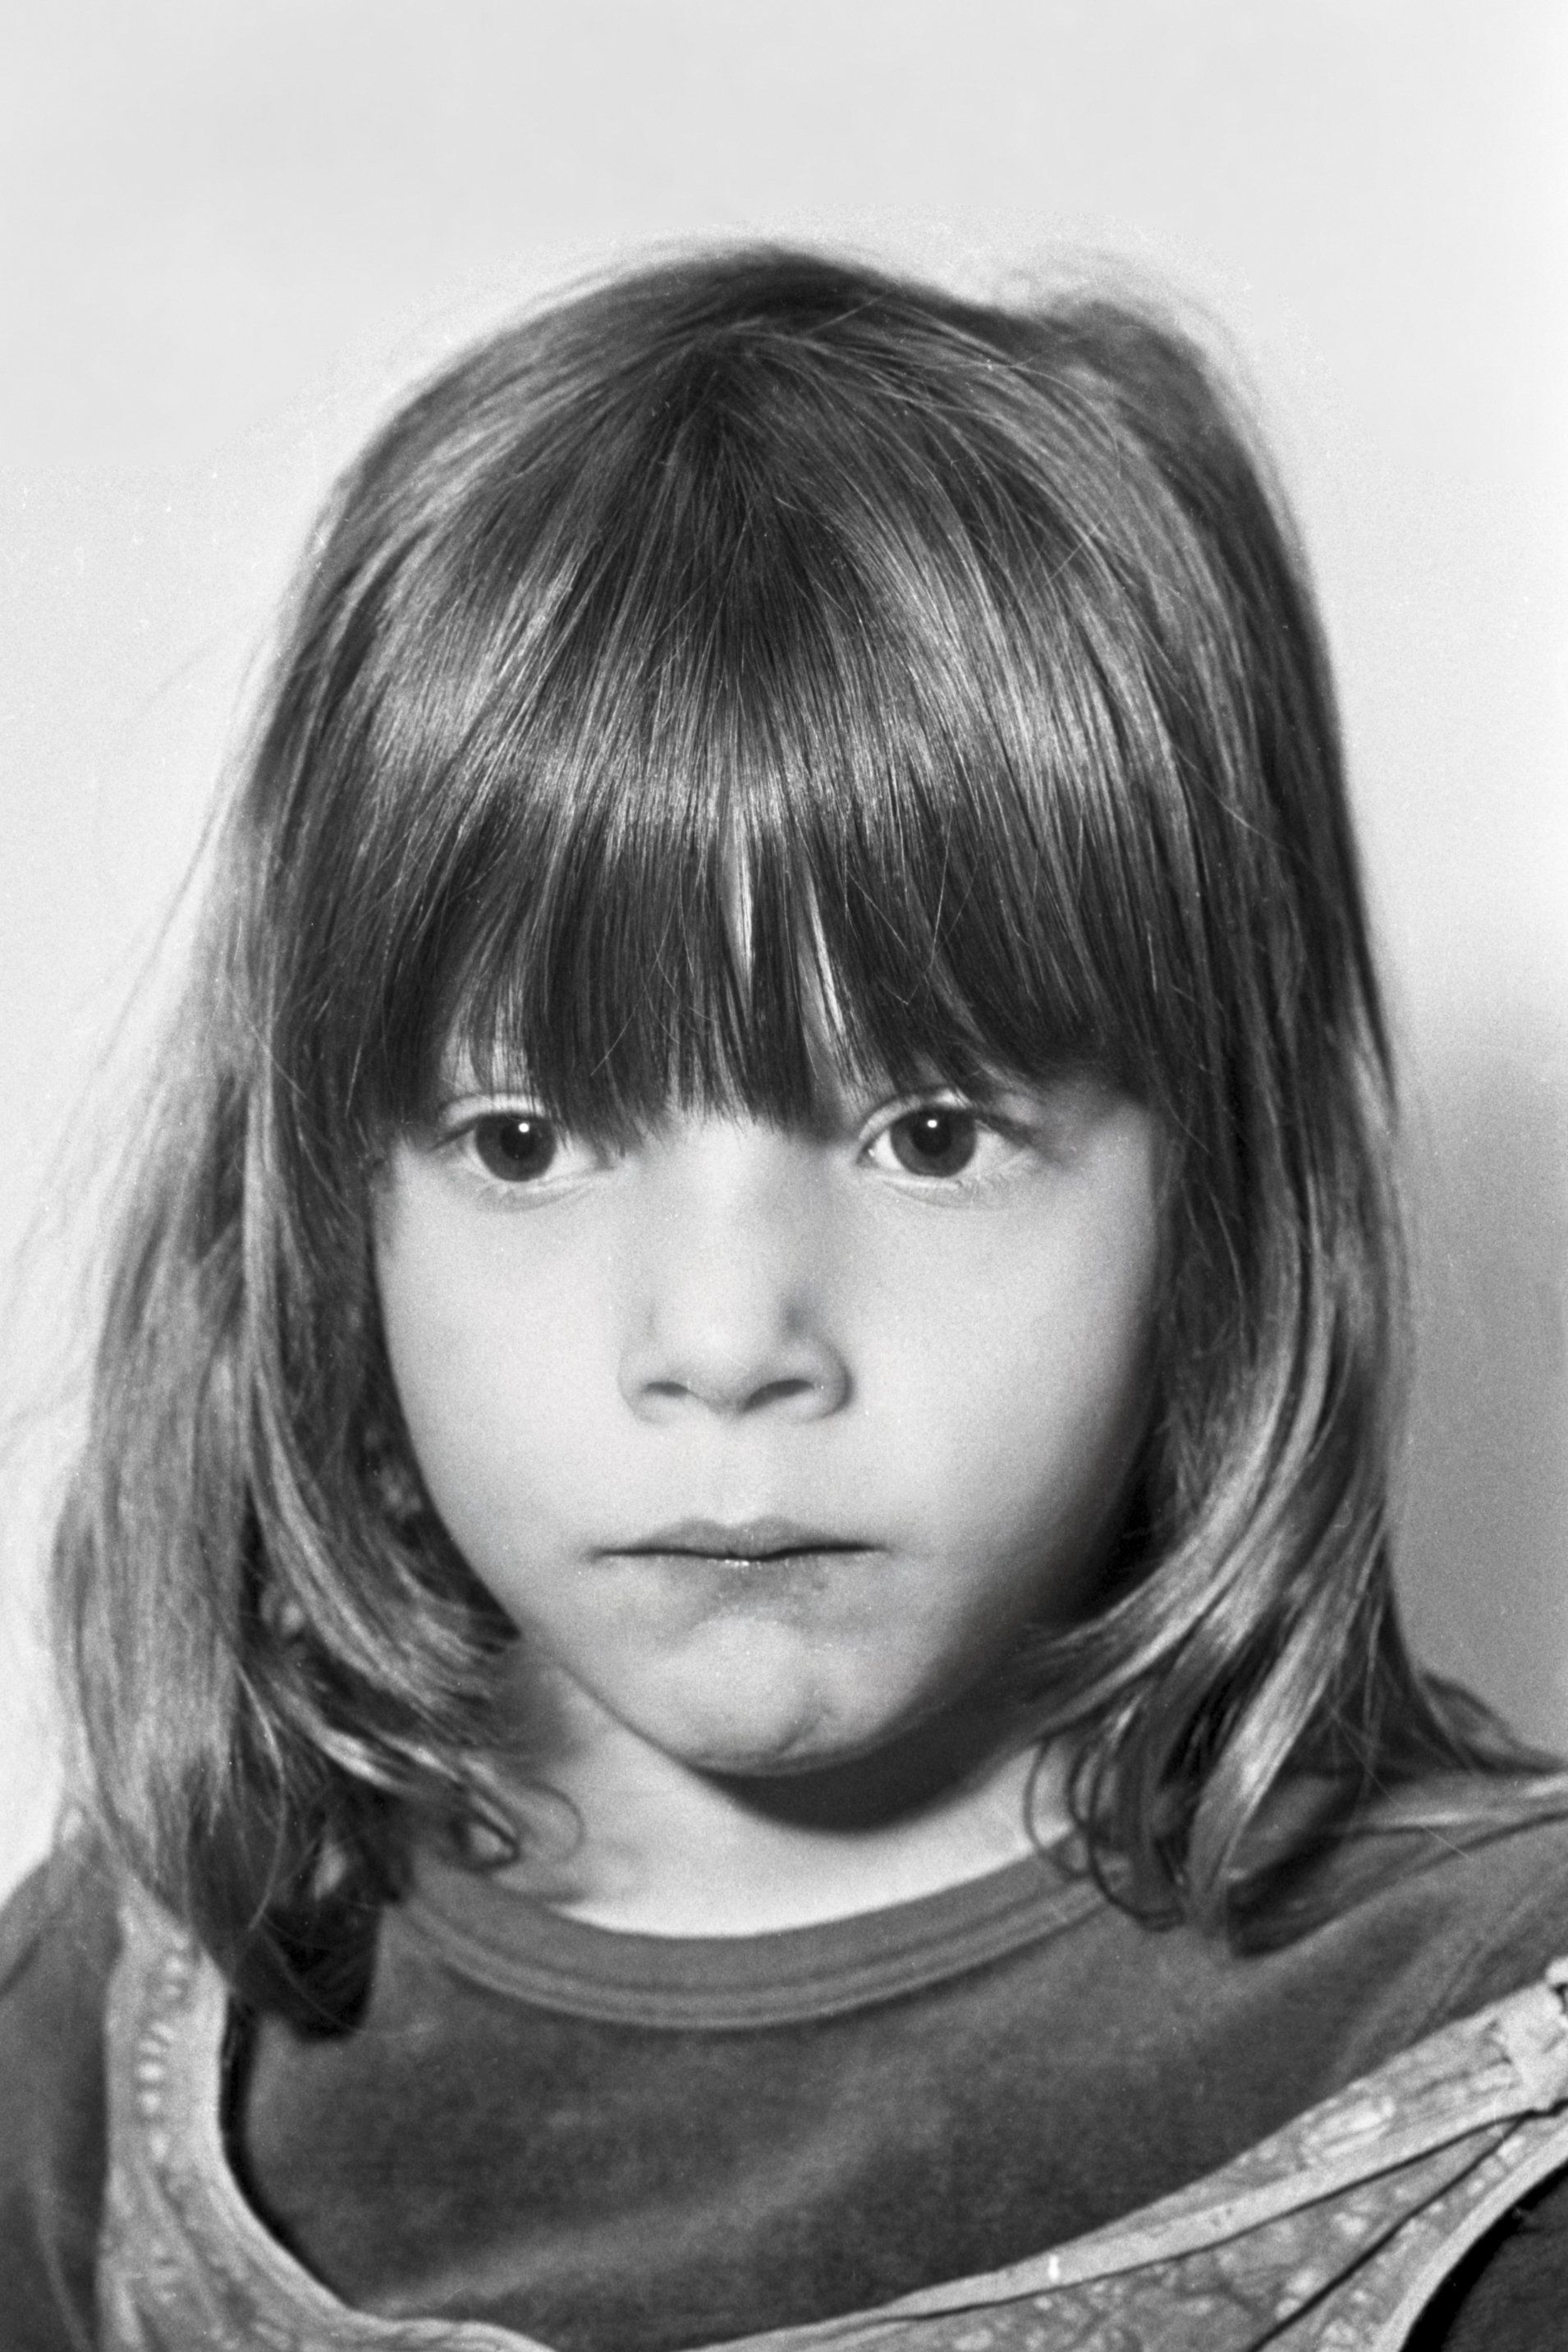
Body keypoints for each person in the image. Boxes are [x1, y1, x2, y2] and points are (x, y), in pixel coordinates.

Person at [2, 247, 1566, 2352]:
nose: (727, 1342)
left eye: (929, 1131)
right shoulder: (145, 1999)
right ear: (323, 1200)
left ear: (1221, 1179)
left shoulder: (1493, 2064)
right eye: (524, 1138)